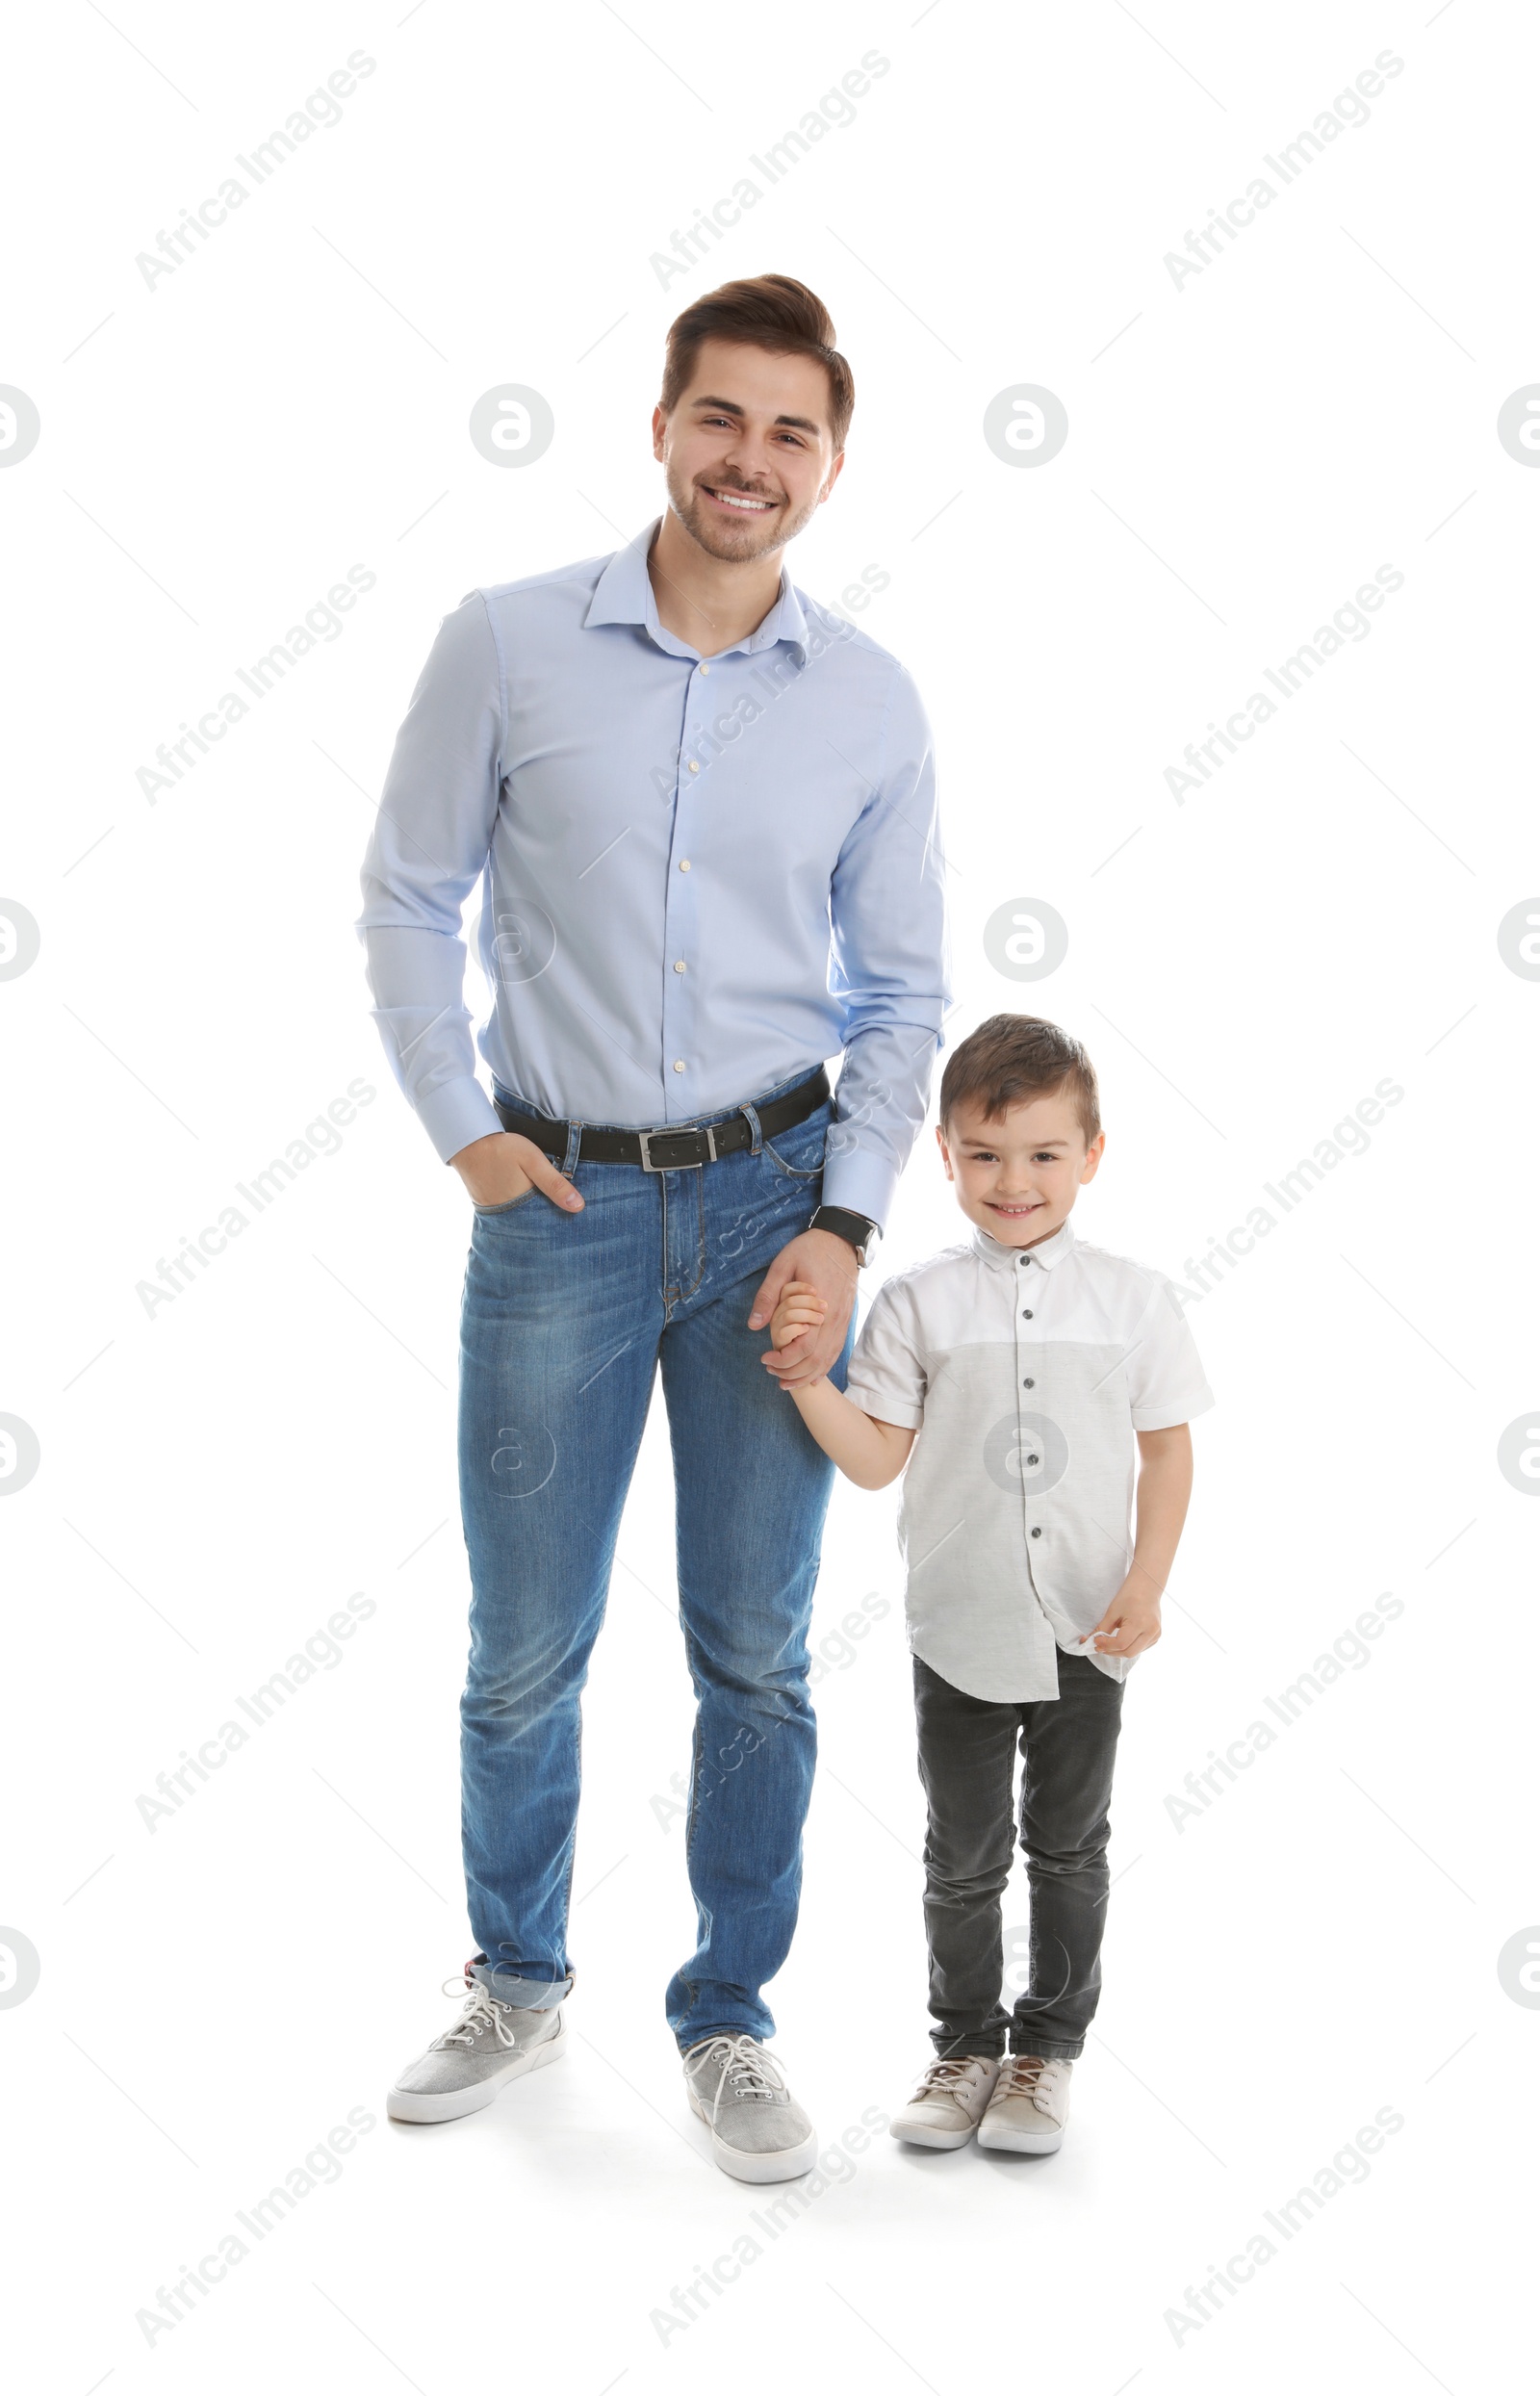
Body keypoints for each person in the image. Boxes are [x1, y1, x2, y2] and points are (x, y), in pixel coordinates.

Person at [355, 273, 948, 2180]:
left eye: (789, 429)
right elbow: (401, 897)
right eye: (720, 415)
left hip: (782, 1212)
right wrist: (465, 1134)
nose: (746, 458)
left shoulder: (865, 697)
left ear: (829, 462)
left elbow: (903, 993)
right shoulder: (508, 644)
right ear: (660, 425)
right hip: (560, 1203)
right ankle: (516, 1976)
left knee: (755, 1646)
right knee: (523, 1639)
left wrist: (848, 1222)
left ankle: (727, 2014)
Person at [768, 1013, 1213, 2154]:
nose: (1014, 1181)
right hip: (956, 1629)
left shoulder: (1133, 1300)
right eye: (985, 1154)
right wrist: (811, 1378)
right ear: (945, 1154)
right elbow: (874, 1459)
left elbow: (1168, 1449)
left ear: (1092, 1153)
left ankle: (1042, 2056)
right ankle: (962, 2046)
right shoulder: (917, 1303)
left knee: (1069, 1847)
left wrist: (1148, 1582)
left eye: (1044, 1154)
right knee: (960, 1854)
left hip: (1085, 1628)